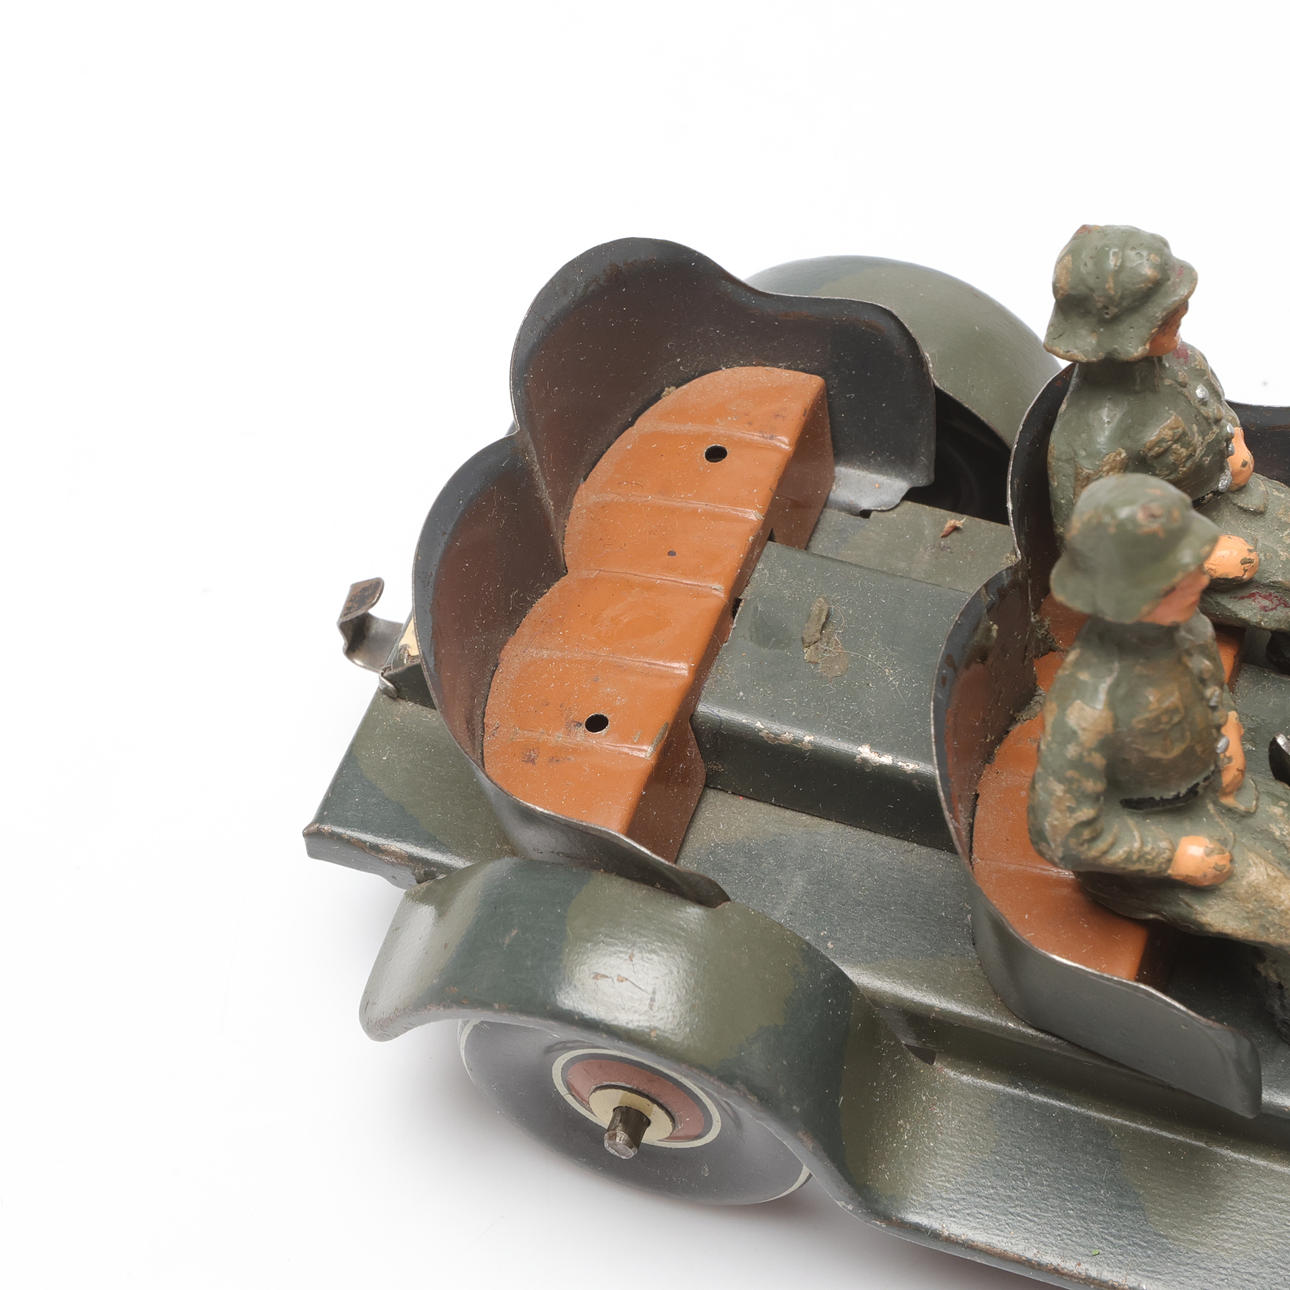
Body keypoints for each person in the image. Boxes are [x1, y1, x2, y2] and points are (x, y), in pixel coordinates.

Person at [1029, 474, 1290, 1034]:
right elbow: (1062, 833)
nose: (1200, 578)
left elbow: (1211, 690)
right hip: (1150, 848)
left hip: (1215, 793)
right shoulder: (1089, 704)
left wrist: (1228, 729)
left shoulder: (1186, 628)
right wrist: (1172, 859)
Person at [1044, 225, 1290, 643]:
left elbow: (1213, 404)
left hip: (1228, 497)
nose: (1181, 311)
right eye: (1162, 313)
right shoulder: (1095, 435)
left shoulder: (1182, 359)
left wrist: (1235, 441)